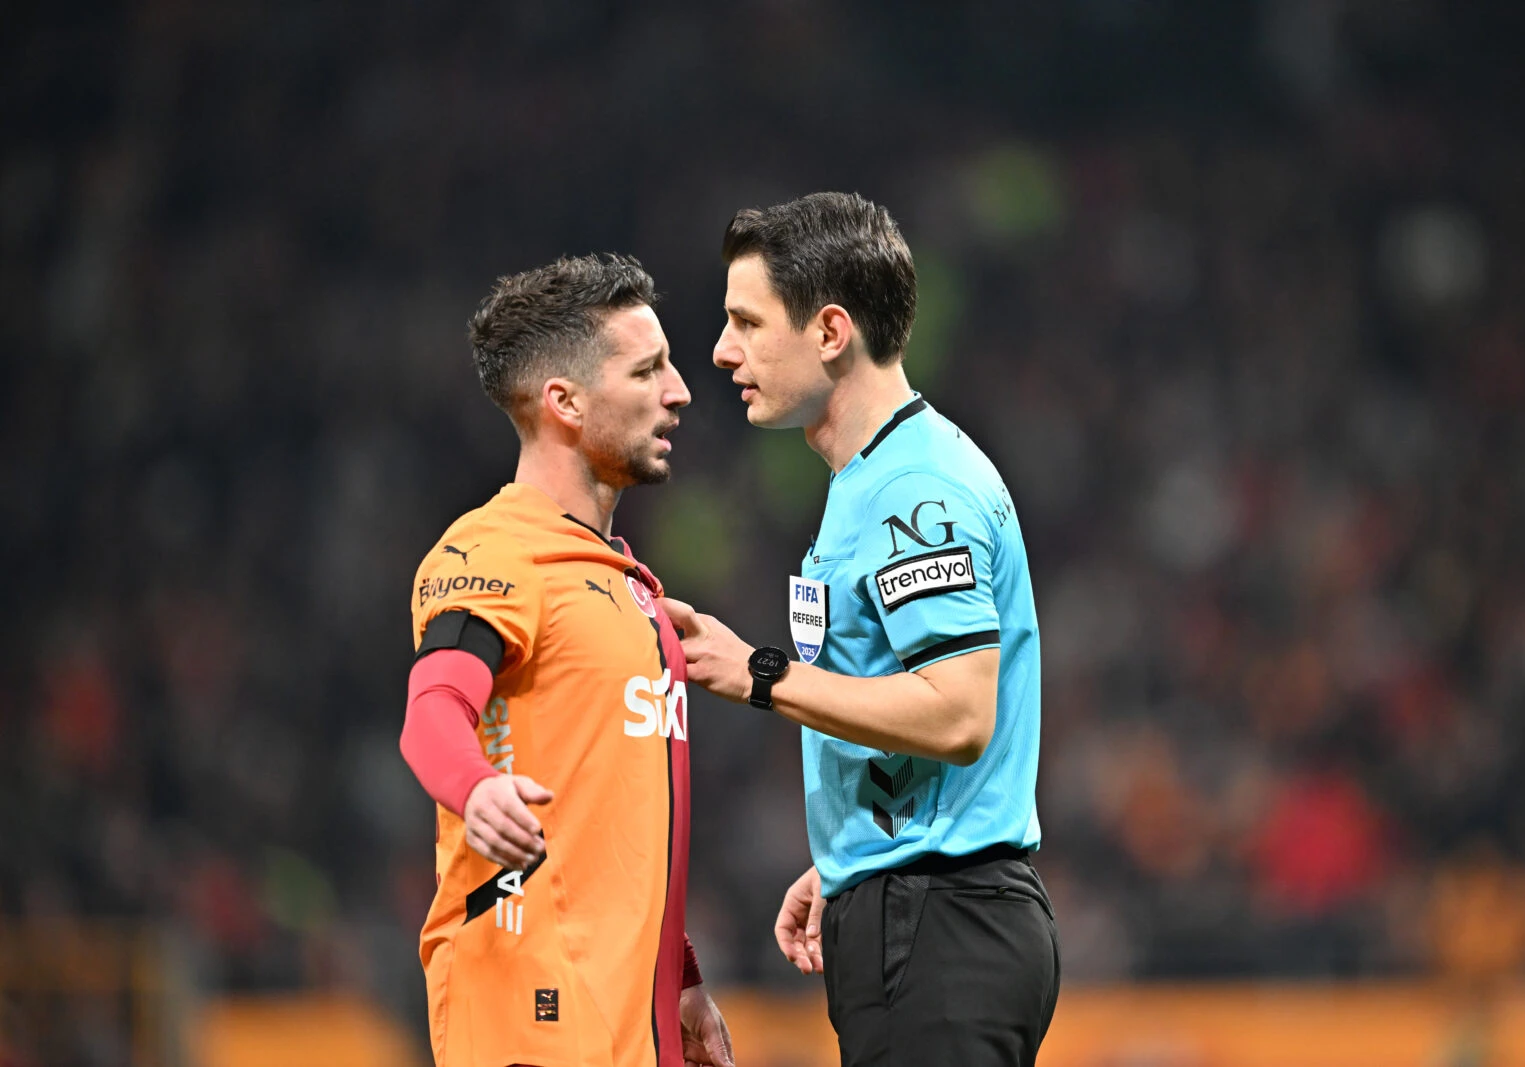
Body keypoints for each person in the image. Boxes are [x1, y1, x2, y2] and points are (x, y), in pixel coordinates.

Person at [665, 193, 1059, 1066]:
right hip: (919, 910)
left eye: (746, 321)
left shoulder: (914, 493)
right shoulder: (872, 478)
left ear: (831, 331)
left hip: (943, 929)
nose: (724, 350)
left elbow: (958, 714)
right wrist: (850, 860)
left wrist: (758, 673)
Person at [398, 254, 733, 1067]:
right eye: (648, 370)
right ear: (565, 402)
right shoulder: (494, 550)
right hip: (527, 1016)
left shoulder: (624, 584)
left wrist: (676, 974)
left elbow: (607, 815)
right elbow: (434, 706)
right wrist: (477, 786)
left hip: (624, 1020)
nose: (679, 391)